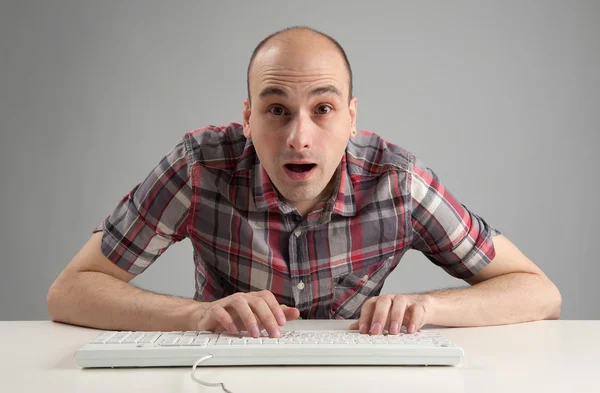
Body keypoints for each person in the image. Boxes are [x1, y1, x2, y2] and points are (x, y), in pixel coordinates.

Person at [47, 26, 561, 339]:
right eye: (276, 110)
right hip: (222, 378)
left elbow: (538, 292)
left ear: (352, 117)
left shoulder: (398, 182)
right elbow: (69, 292)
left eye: (323, 109)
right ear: (247, 118)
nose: (299, 137)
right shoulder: (198, 168)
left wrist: (429, 307)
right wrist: (198, 316)